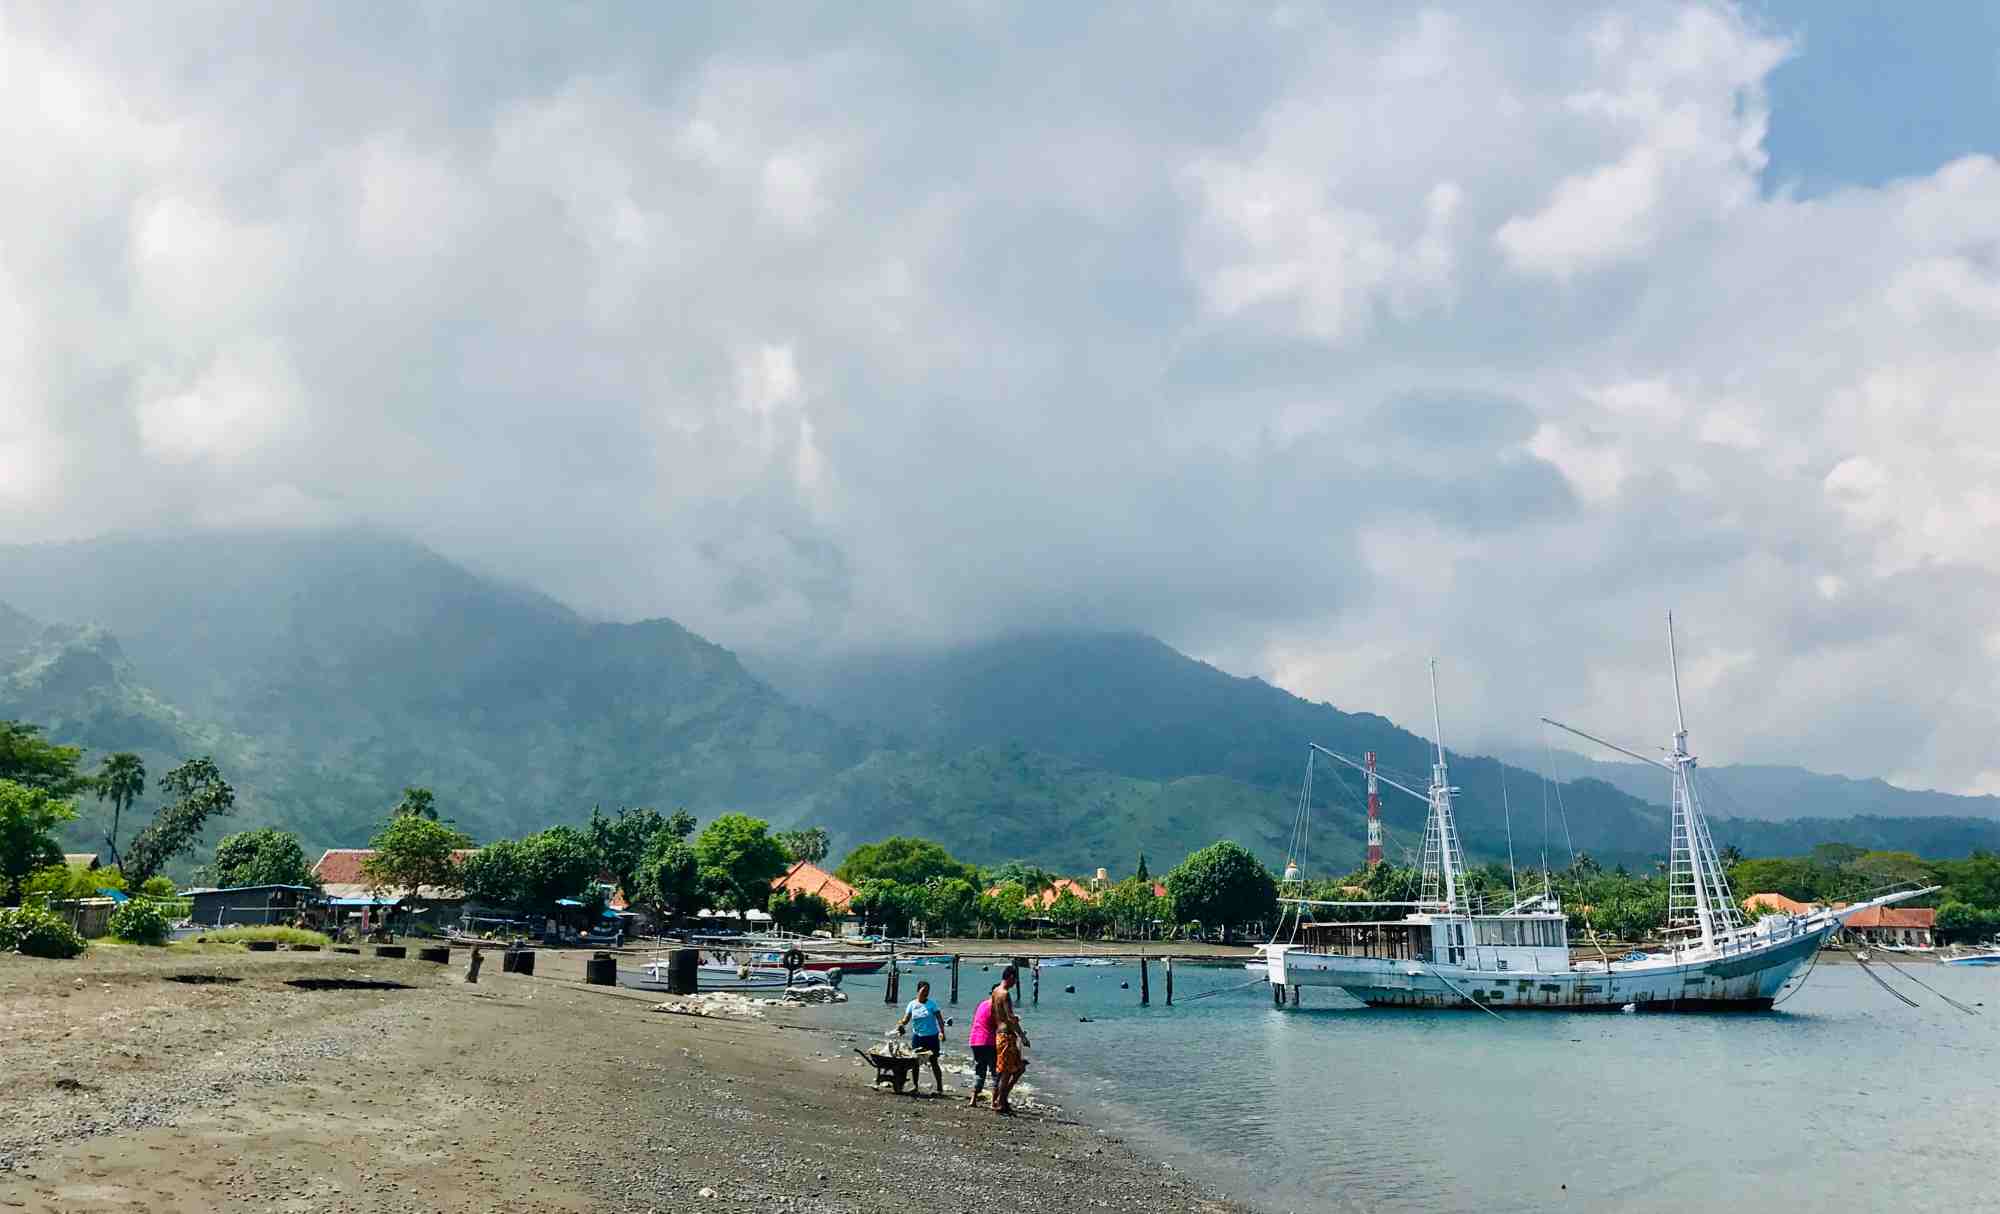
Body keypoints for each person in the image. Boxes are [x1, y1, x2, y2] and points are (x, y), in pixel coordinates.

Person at [990, 965, 1030, 1115]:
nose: (1016, 983)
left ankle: (1002, 1100)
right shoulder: (1005, 994)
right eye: (1015, 980)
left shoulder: (995, 992)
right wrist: (1023, 1036)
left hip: (1000, 1033)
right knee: (1006, 1072)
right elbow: (1010, 1018)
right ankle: (1000, 1103)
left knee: (1017, 1068)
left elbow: (994, 1013)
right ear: (1011, 977)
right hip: (1006, 1035)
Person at [895, 979, 947, 1095]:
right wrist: (900, 1025)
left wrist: (942, 1032)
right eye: (923, 990)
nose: (926, 993)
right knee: (915, 1063)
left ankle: (939, 1088)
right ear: (918, 990)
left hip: (932, 1038)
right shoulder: (912, 1004)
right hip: (918, 1037)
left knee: (934, 1062)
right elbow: (906, 1019)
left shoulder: (932, 1004)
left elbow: (939, 1019)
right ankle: (915, 1086)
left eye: (928, 991)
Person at [966, 987, 997, 1106]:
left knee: (979, 1070)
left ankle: (973, 1099)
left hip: (975, 1041)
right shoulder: (996, 1007)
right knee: (995, 1072)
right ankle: (994, 1102)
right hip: (989, 1042)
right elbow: (1001, 1024)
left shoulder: (982, 1004)